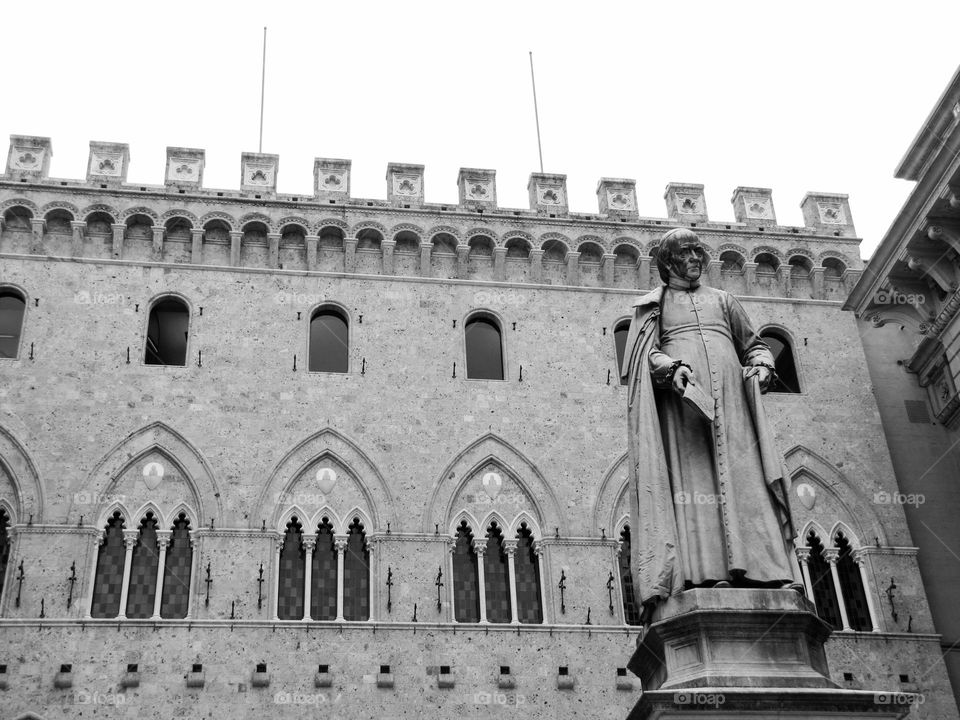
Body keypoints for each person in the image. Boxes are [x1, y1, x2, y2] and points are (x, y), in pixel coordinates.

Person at [620, 228, 800, 621]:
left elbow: (753, 344)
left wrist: (763, 365)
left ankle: (767, 571)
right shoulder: (653, 306)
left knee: (747, 480)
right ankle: (705, 573)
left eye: (698, 252)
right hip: (684, 411)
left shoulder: (724, 301)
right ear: (668, 261)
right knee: (693, 486)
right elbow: (641, 359)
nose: (696, 258)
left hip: (733, 405)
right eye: (687, 253)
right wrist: (670, 368)